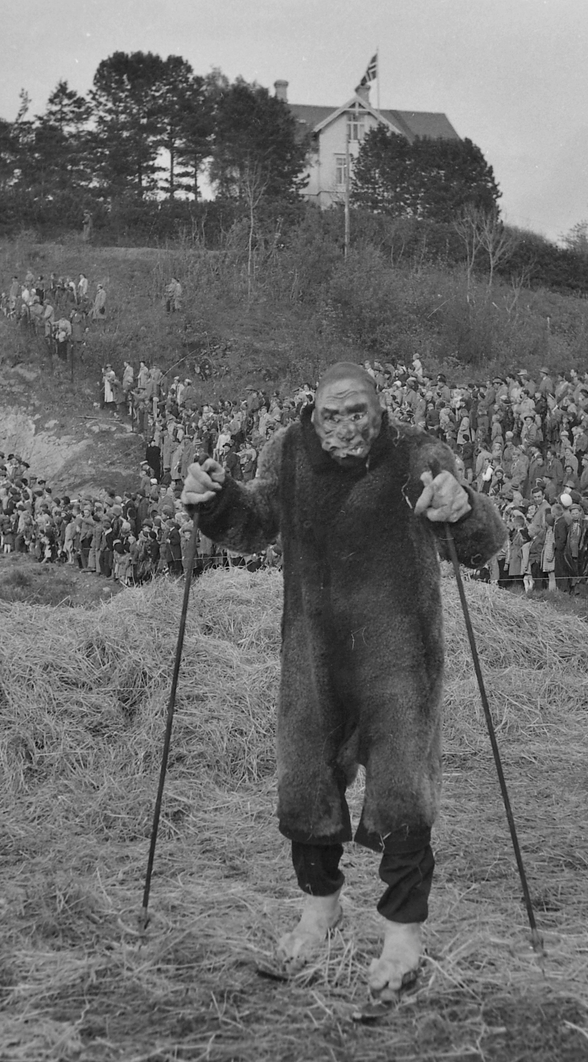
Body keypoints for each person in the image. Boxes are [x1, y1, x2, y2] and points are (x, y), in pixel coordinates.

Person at [182, 361, 505, 1002]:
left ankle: (402, 933)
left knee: (403, 790)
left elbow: (481, 543)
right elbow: (251, 525)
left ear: (380, 411)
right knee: (305, 781)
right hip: (314, 653)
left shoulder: (418, 453)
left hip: (399, 656)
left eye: (358, 412)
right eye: (332, 414)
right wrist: (211, 501)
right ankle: (318, 912)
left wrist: (462, 510)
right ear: (314, 413)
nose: (346, 426)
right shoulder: (289, 452)